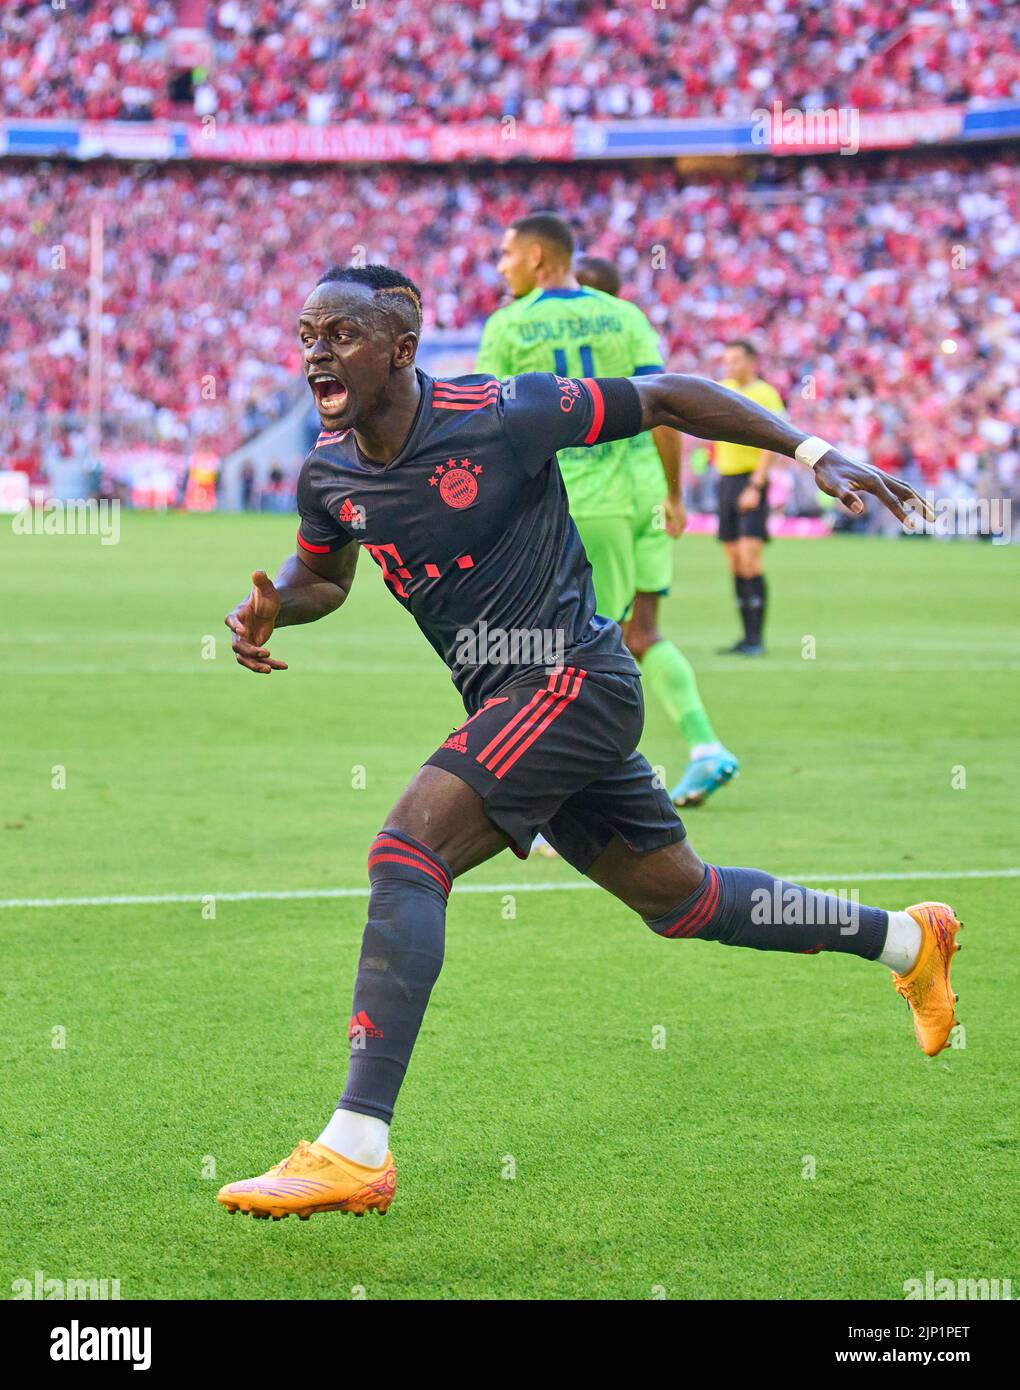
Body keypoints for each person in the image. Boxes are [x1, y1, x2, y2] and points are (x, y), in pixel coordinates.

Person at [218, 264, 959, 1223]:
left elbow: (664, 396)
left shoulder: (506, 412)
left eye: (343, 333)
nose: (318, 349)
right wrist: (278, 606)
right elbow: (325, 575)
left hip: (571, 677)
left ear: (401, 350)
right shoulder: (331, 470)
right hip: (518, 701)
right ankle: (910, 939)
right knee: (682, 900)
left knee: (407, 851)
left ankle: (356, 1144)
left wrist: (811, 448)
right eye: (309, 331)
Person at [477, 215, 737, 808]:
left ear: (538, 257)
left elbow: (487, 422)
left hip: (581, 498)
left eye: (506, 253)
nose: (501, 266)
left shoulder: (511, 324)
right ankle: (704, 747)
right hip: (643, 491)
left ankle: (578, 797)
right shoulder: (626, 315)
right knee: (641, 632)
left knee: (574, 652)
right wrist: (673, 493)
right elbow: (666, 404)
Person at [712, 341, 785, 655]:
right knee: (733, 559)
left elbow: (773, 441)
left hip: (749, 479)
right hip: (726, 480)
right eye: (727, 360)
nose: (730, 365)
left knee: (749, 555)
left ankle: (756, 638)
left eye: (736, 359)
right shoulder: (721, 389)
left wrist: (756, 484)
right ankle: (745, 636)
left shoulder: (765, 393)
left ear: (752, 361)